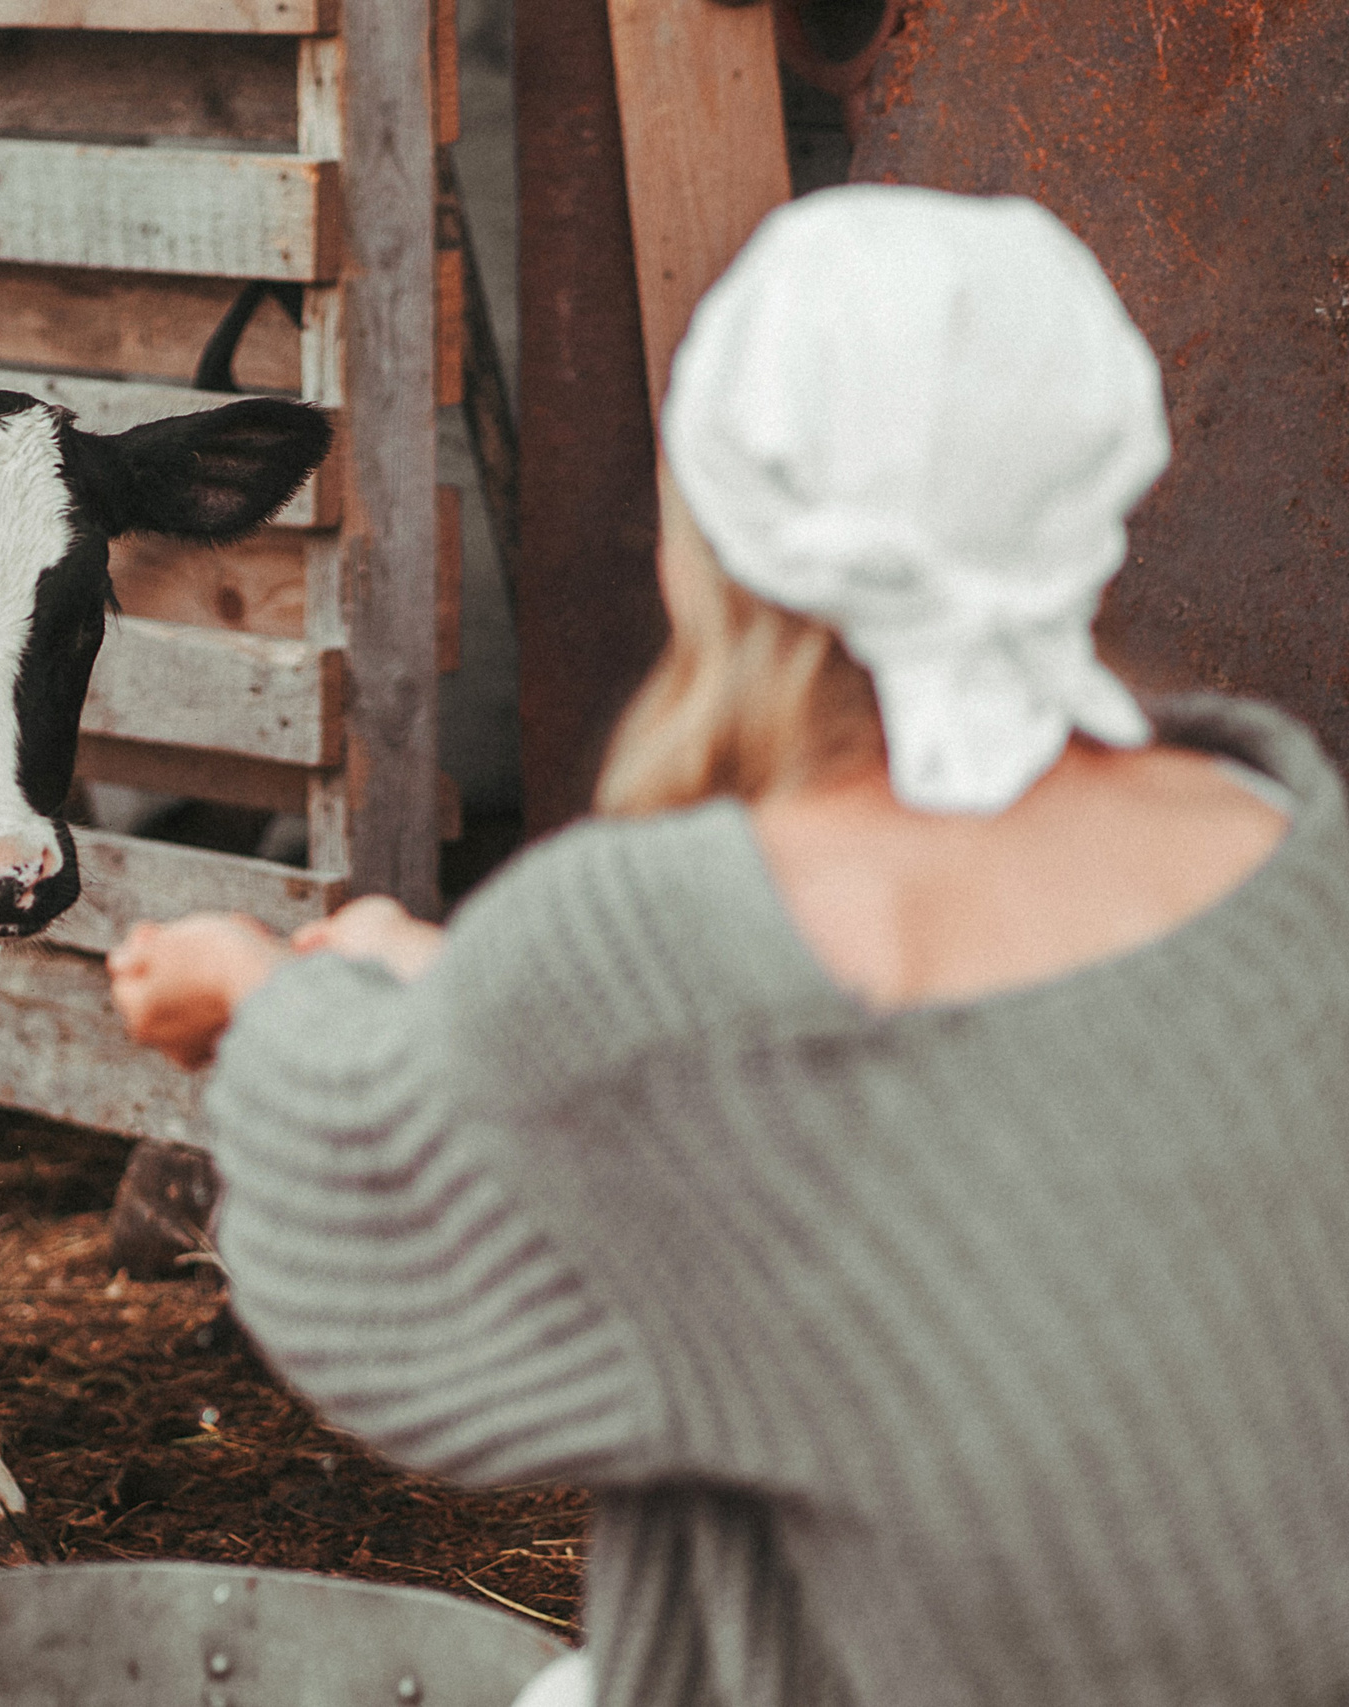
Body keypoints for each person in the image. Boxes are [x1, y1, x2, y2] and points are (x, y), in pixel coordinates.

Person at [105, 185, 1349, 1707]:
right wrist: (429, 987)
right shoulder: (1284, 841)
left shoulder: (658, 943)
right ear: (1101, 480)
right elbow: (933, 1113)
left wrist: (272, 1001)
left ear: (720, 531)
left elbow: (393, 1287)